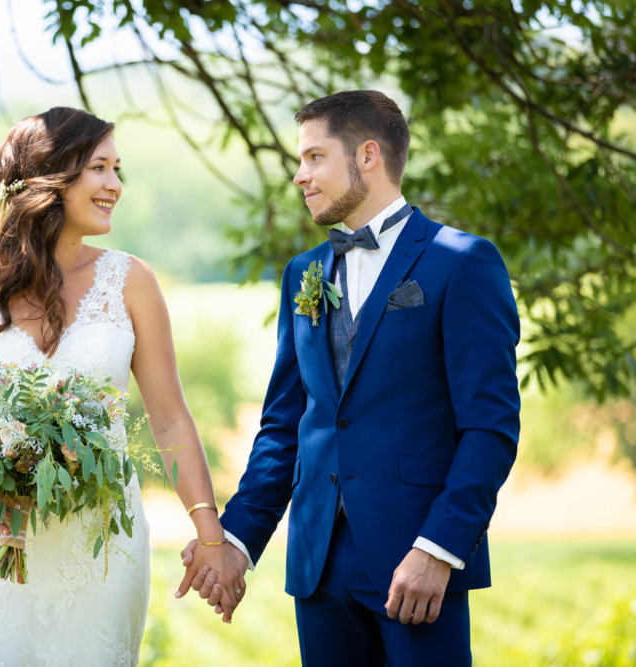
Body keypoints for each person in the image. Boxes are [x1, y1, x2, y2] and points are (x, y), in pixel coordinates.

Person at [177, 90, 521, 666]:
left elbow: (491, 428)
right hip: (318, 566)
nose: (299, 175)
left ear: (367, 155)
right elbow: (286, 426)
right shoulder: (303, 273)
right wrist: (234, 541)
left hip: (416, 564)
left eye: (314, 157)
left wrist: (438, 549)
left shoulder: (462, 262)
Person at [0, 106, 239, 666]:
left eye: (118, 171)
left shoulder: (131, 282)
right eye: (100, 168)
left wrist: (209, 532)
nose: (115, 185)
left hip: (98, 548)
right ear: (50, 177)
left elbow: (168, 419)